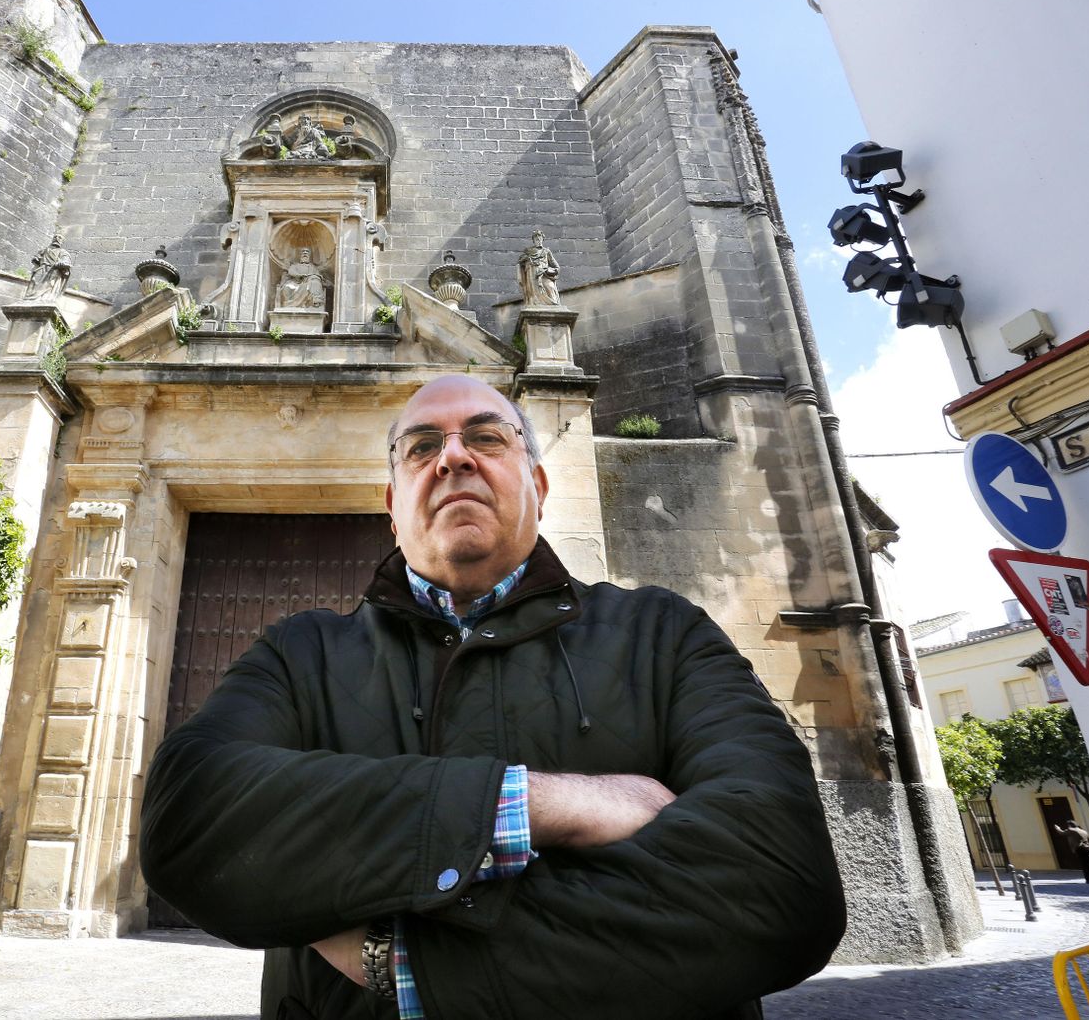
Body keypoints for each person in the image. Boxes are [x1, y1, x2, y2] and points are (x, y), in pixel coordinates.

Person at [142, 374, 847, 1020]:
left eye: (485, 437)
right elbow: (189, 818)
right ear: (392, 508)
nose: (453, 457)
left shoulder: (663, 634)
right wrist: (538, 804)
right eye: (421, 447)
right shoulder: (301, 653)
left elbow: (781, 881)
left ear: (538, 483)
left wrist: (404, 962)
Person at [517, 230, 561, 305]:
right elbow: (520, 263)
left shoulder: (546, 251)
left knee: (550, 287)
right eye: (536, 238)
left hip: (544, 274)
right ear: (533, 240)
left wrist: (553, 270)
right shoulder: (528, 251)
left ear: (542, 239)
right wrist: (525, 260)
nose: (538, 239)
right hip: (532, 274)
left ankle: (554, 304)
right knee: (533, 293)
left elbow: (556, 266)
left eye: (540, 238)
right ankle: (535, 303)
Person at [1054, 819, 1089, 884]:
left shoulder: (1071, 830)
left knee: (1085, 865)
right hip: (1088, 848)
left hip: (1080, 849)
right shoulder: (1083, 831)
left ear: (1069, 825)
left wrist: (1057, 828)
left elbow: (1061, 833)